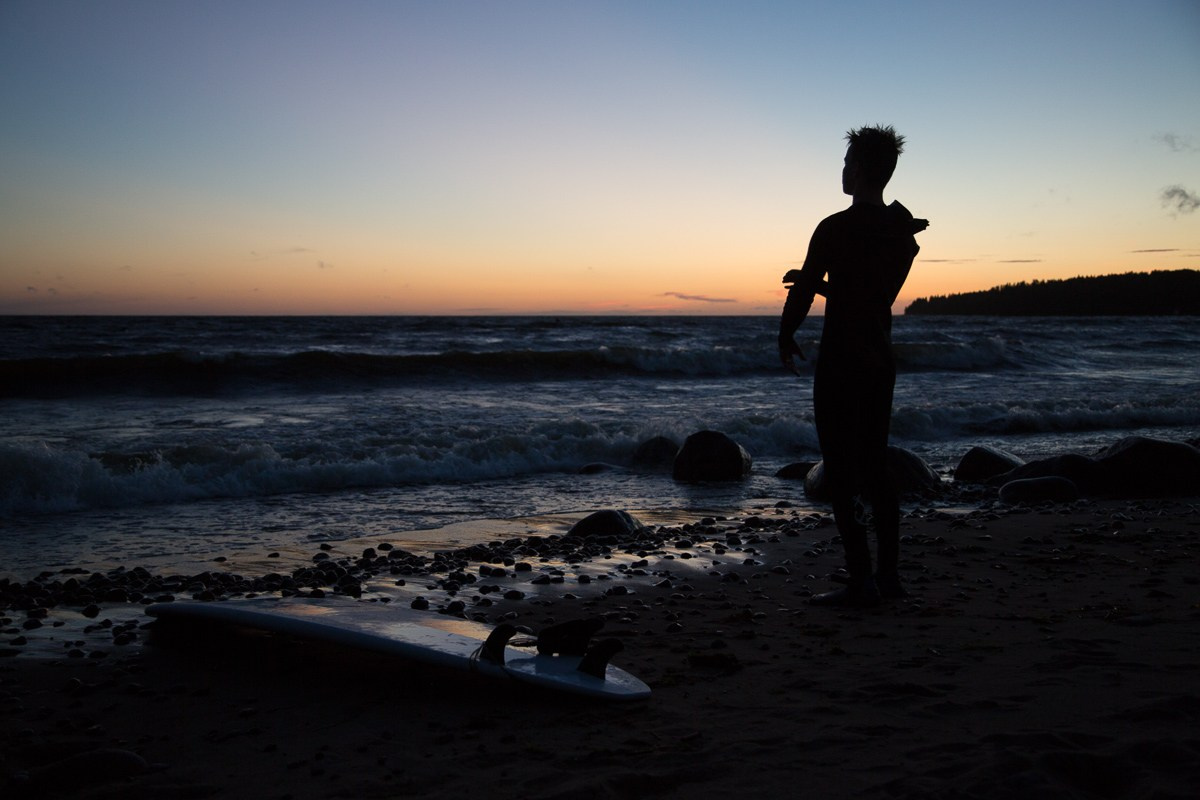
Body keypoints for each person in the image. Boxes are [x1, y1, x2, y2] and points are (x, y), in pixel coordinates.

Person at [778, 125, 928, 608]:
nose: (842, 171)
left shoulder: (834, 227)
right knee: (877, 467)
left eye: (846, 164)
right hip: (880, 359)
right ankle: (889, 578)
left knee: (841, 471)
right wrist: (818, 285)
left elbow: (808, 294)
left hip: (842, 357)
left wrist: (787, 330)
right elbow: (872, 297)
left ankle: (861, 579)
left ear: (859, 169)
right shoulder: (900, 236)